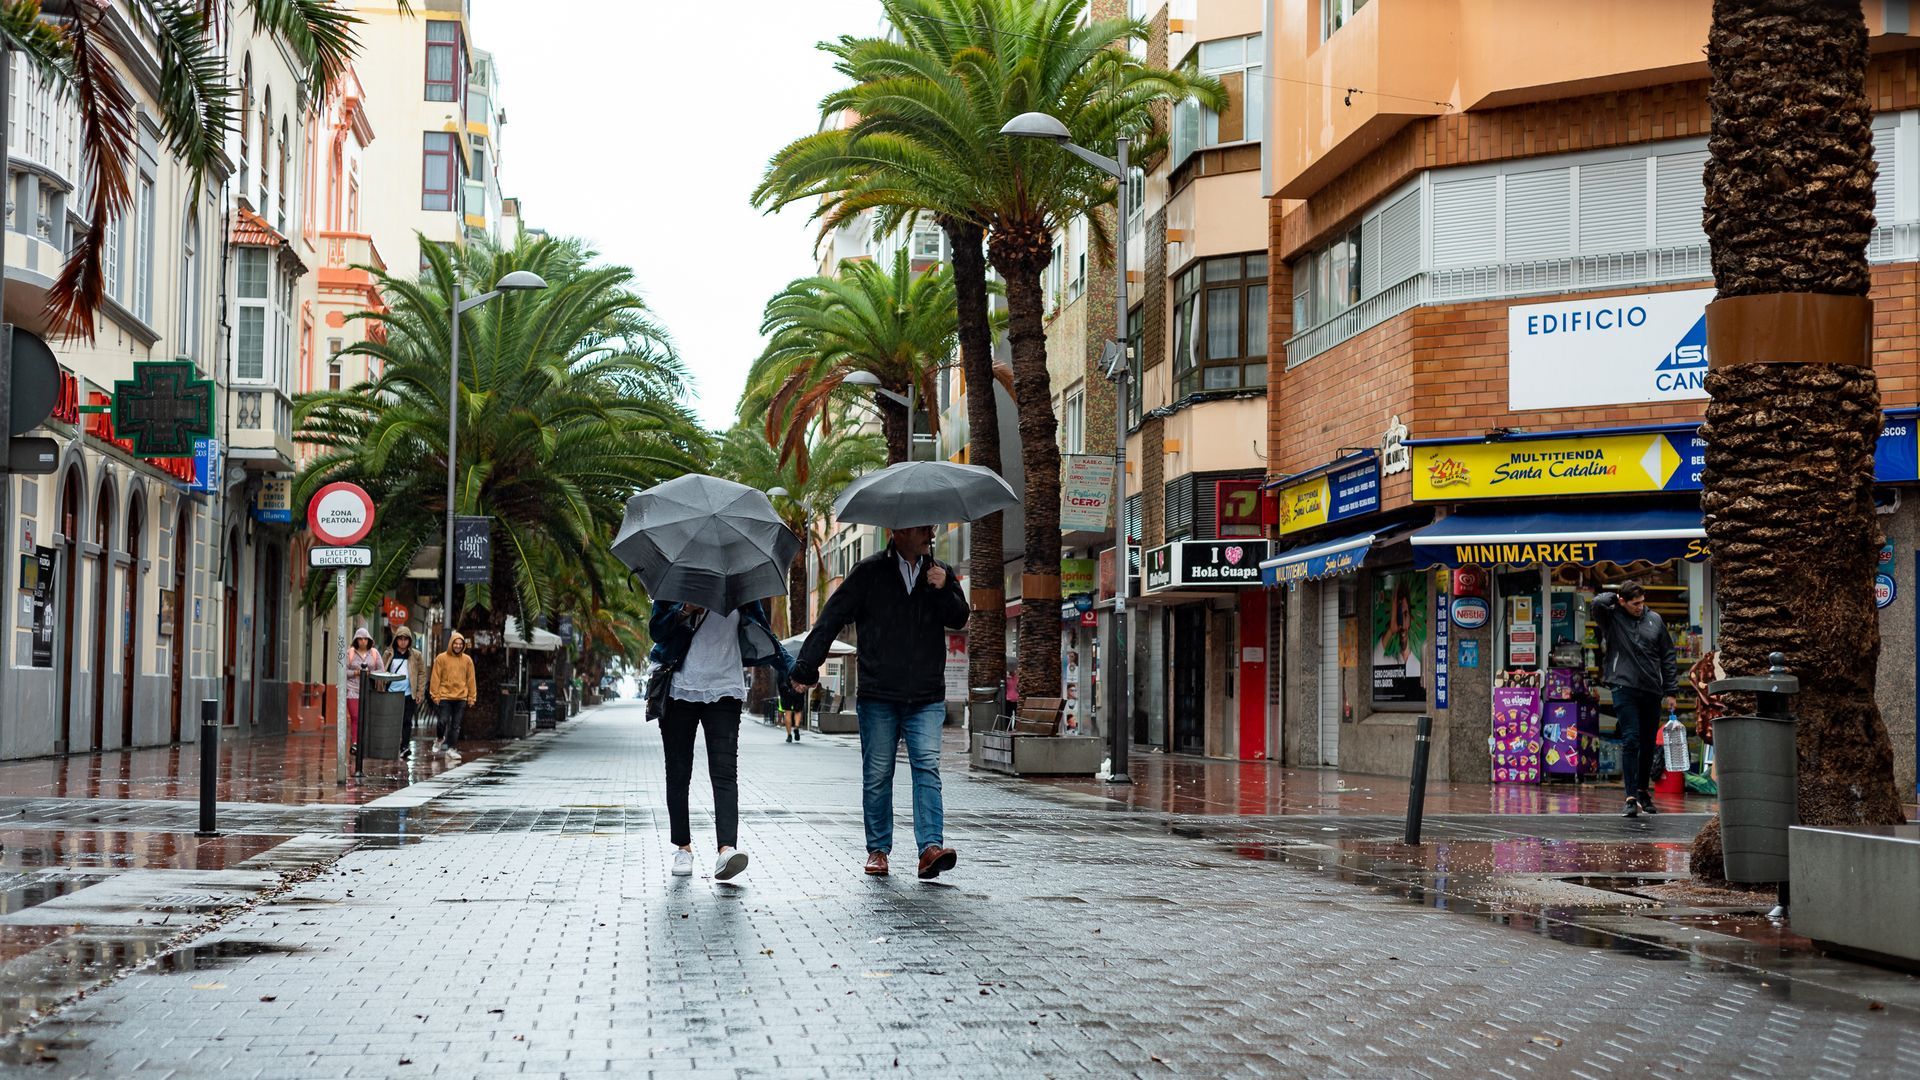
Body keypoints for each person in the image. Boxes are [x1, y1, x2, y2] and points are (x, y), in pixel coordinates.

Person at [790, 524, 969, 880]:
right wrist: (806, 666)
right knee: (877, 774)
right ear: (898, 531)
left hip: (926, 694)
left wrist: (944, 589)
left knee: (927, 768)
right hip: (879, 695)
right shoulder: (869, 572)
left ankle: (930, 848)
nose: (930, 533)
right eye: (922, 527)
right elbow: (832, 616)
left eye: (931, 526)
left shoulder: (941, 572)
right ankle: (878, 850)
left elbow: (959, 617)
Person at [647, 598, 794, 882]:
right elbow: (656, 631)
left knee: (725, 773)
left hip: (725, 690)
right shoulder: (678, 586)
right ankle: (683, 848)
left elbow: (765, 633)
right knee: (678, 772)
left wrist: (793, 668)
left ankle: (727, 849)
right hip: (679, 689)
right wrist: (684, 610)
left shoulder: (740, 589)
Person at [1590, 581, 1679, 818]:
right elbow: (1597, 602)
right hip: (1624, 686)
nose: (1640, 607)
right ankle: (1630, 797)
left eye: (1642, 602)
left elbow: (1668, 656)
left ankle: (1642, 790)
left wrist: (1671, 691)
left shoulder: (1655, 620)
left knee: (1648, 743)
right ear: (1622, 601)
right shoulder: (1612, 618)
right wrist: (1616, 597)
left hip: (1652, 689)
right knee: (1631, 739)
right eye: (1634, 603)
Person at [429, 631, 477, 759]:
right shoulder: (441, 658)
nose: (458, 646)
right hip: (445, 697)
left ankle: (451, 749)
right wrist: (435, 695)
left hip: (461, 698)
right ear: (451, 644)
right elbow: (435, 677)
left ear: (463, 645)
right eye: (455, 643)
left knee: (456, 725)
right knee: (442, 721)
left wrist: (471, 697)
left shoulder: (467, 660)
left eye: (460, 644)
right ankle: (439, 738)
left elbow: (471, 679)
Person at [388, 627, 428, 758]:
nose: (403, 641)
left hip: (409, 694)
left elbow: (422, 674)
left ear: (409, 640)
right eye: (400, 638)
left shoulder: (416, 655)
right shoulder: (389, 653)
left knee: (407, 721)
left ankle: (404, 746)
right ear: (396, 639)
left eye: (406, 639)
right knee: (392, 721)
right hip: (391, 693)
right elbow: (382, 669)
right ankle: (391, 746)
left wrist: (420, 693)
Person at [343, 628, 382, 757]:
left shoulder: (374, 653)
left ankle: (364, 744)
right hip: (352, 690)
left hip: (369, 690)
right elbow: (342, 671)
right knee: (355, 716)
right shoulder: (350, 653)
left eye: (365, 639)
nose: (363, 641)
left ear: (369, 640)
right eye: (360, 639)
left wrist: (370, 673)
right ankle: (355, 743)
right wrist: (355, 672)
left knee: (366, 718)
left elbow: (381, 670)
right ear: (356, 640)